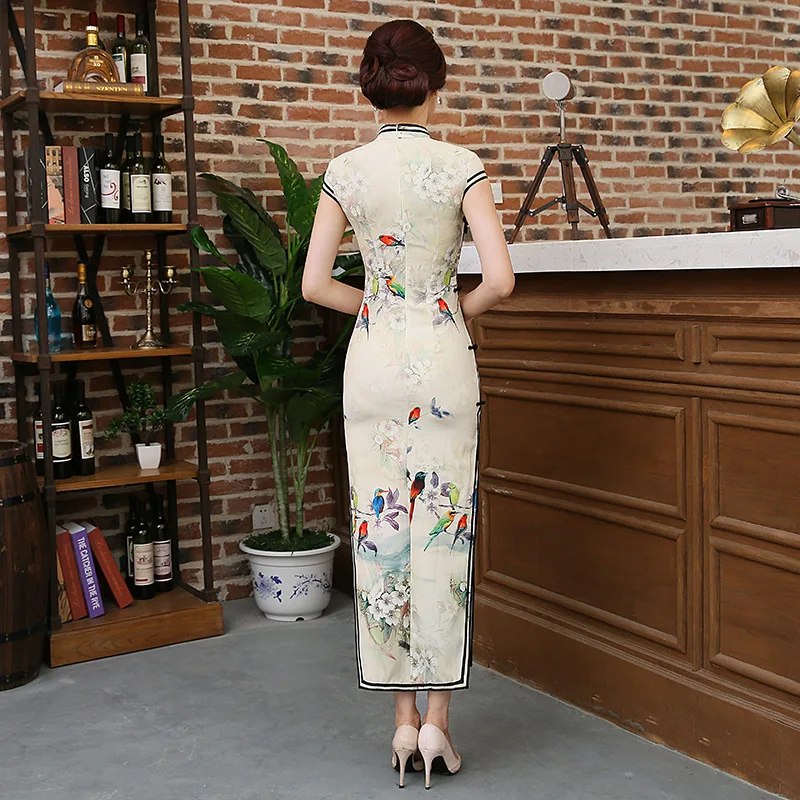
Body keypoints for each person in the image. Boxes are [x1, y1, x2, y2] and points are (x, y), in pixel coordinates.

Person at [303, 18, 514, 789]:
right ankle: (438, 724)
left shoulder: (345, 170)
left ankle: (400, 723)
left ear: (373, 86)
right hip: (441, 361)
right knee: (442, 532)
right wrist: (446, 310)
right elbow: (500, 280)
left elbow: (314, 285)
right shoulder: (461, 166)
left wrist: (378, 307)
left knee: (380, 530)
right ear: (434, 86)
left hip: (373, 361)